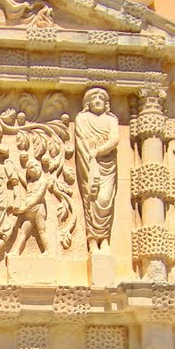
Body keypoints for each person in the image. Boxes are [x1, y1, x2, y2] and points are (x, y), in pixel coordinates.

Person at [75, 87, 120, 252]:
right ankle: (93, 239)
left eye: (101, 97)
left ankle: (105, 238)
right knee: (91, 198)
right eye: (94, 98)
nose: (98, 100)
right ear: (87, 103)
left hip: (107, 163)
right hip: (88, 162)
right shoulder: (82, 118)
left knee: (105, 199)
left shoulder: (111, 119)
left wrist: (99, 150)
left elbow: (115, 139)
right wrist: (90, 158)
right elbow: (81, 142)